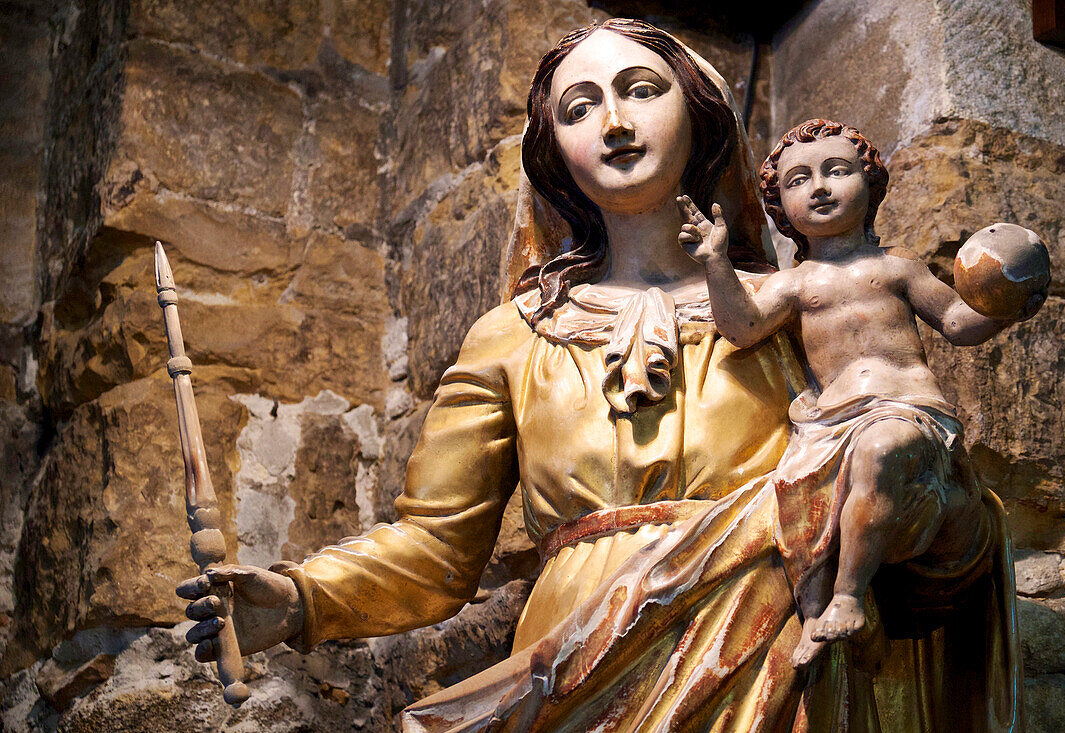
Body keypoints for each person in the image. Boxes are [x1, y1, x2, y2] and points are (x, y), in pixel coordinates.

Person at [177, 21, 1020, 731]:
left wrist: (934, 513)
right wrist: (292, 600)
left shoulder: (796, 306)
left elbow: (903, 467)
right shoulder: (513, 338)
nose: (614, 121)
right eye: (581, 108)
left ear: (698, 116)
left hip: (765, 656)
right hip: (574, 660)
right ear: (555, 152)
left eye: (641, 91)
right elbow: (436, 550)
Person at [676, 118, 1045, 670]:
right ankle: (815, 617)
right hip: (828, 424)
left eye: (837, 170)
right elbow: (742, 326)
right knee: (795, 502)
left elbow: (956, 321)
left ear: (870, 186)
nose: (819, 186)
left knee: (881, 450)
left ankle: (849, 597)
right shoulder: (796, 284)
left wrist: (1005, 304)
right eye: (798, 180)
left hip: (907, 410)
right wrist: (715, 262)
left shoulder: (896, 266)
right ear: (780, 204)